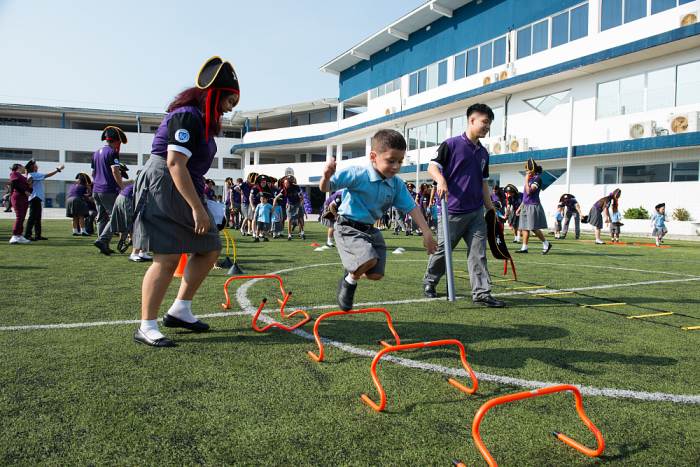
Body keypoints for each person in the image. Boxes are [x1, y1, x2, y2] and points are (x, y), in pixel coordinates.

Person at [132, 56, 240, 347]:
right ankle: (146, 326)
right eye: (230, 101)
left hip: (183, 182)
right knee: (167, 257)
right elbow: (174, 163)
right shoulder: (187, 116)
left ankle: (180, 310)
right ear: (216, 94)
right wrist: (196, 208)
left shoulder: (200, 120)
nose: (231, 108)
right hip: (165, 182)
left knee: (210, 247)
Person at [320, 129, 437, 311]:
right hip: (347, 227)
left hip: (370, 230)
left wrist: (427, 233)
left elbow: (412, 208)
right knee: (369, 259)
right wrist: (326, 176)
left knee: (376, 274)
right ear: (373, 157)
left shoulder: (396, 184)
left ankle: (354, 268)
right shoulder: (357, 174)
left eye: (400, 161)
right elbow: (325, 187)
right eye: (391, 160)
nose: (396, 166)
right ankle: (349, 281)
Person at [422, 103, 505, 307]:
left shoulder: (483, 153)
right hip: (451, 210)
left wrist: (491, 209)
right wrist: (441, 180)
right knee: (443, 251)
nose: (487, 127)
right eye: (485, 122)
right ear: (472, 120)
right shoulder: (451, 144)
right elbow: (432, 167)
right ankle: (430, 281)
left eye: (490, 123)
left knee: (478, 253)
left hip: (476, 213)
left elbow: (484, 183)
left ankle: (481, 293)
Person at [92, 126, 127, 255]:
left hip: (96, 189)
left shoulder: (96, 153)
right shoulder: (112, 152)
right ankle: (103, 240)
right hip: (108, 189)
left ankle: (103, 246)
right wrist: (122, 187)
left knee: (101, 217)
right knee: (114, 216)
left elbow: (93, 173)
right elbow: (115, 171)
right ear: (116, 142)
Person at [515, 159, 552, 255]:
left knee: (533, 227)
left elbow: (529, 191)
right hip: (525, 205)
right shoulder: (530, 179)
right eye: (526, 171)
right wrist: (519, 207)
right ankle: (524, 247)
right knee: (525, 227)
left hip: (532, 205)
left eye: (528, 170)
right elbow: (525, 197)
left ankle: (546, 244)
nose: (527, 172)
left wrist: (526, 180)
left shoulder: (537, 179)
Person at [23, 159, 65, 241]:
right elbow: (47, 175)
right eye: (35, 166)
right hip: (35, 198)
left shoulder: (31, 175)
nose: (37, 167)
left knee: (37, 218)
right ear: (31, 167)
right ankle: (28, 235)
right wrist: (58, 169)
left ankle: (38, 235)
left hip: (36, 198)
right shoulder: (33, 174)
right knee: (33, 217)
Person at [274, 175, 307, 241]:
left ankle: (302, 233)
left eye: (287, 183)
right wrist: (274, 203)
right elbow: (277, 197)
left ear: (290, 183)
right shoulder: (284, 189)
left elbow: (302, 194)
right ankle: (289, 235)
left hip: (297, 204)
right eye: (284, 183)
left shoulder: (296, 187)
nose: (285, 185)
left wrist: (303, 200)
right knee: (289, 220)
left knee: (300, 219)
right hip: (289, 205)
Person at [8, 163, 33, 244]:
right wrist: (25, 192)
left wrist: (29, 185)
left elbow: (30, 190)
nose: (24, 169)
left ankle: (19, 235)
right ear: (18, 167)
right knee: (20, 216)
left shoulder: (23, 177)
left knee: (22, 216)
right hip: (18, 197)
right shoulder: (14, 173)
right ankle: (14, 235)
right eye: (23, 167)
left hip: (24, 198)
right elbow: (14, 185)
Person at [249, 174, 273, 241]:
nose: (263, 184)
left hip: (263, 205)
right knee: (254, 219)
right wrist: (252, 206)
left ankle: (260, 233)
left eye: (264, 182)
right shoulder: (254, 188)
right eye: (262, 182)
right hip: (255, 204)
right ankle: (254, 233)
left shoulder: (266, 189)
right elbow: (250, 197)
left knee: (262, 220)